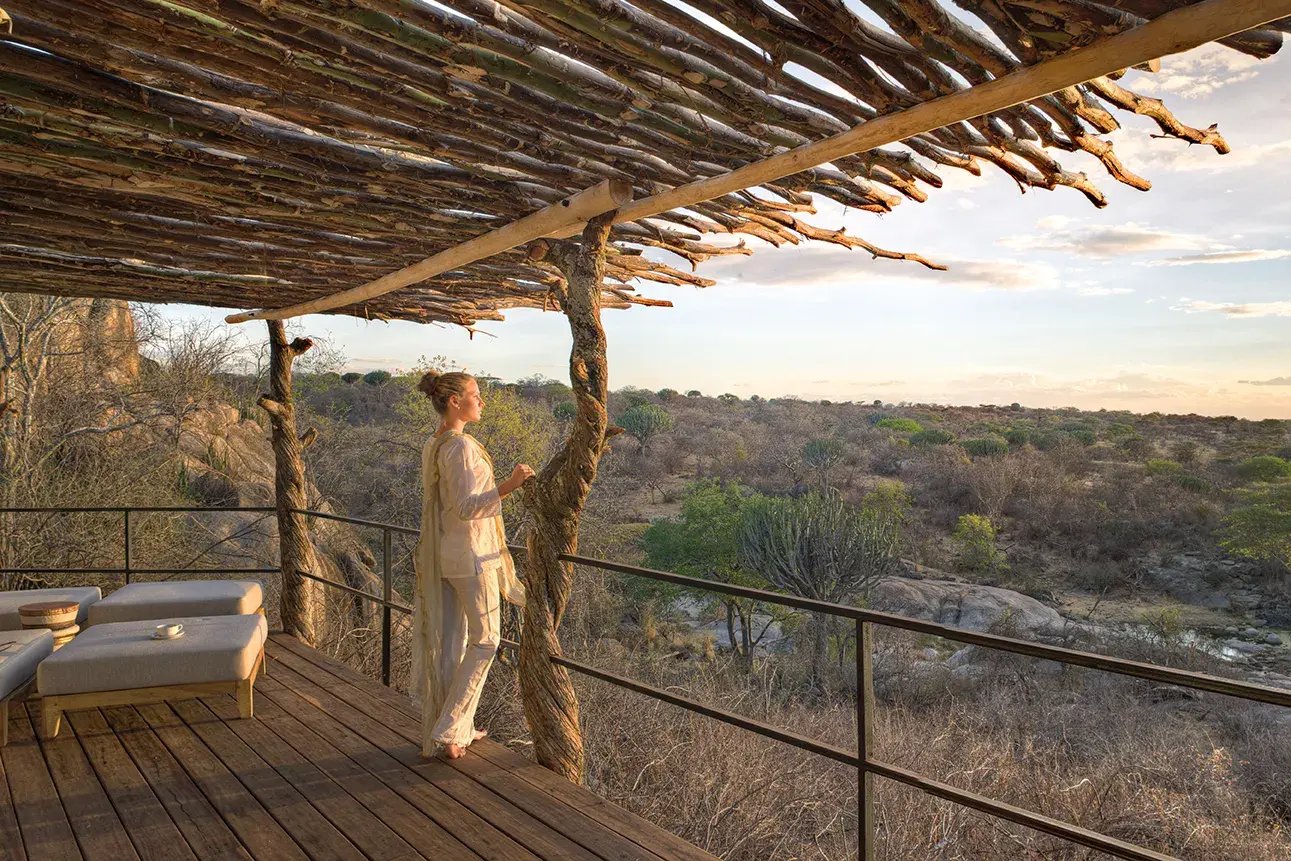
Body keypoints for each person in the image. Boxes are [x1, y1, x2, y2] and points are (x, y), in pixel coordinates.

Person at [411, 370, 533, 760]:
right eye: (475, 395)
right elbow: (465, 507)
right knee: (487, 641)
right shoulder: (458, 447)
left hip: (451, 553)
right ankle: (449, 727)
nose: (482, 402)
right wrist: (510, 485)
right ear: (453, 401)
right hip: (471, 556)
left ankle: (454, 730)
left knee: (456, 642)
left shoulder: (436, 442)